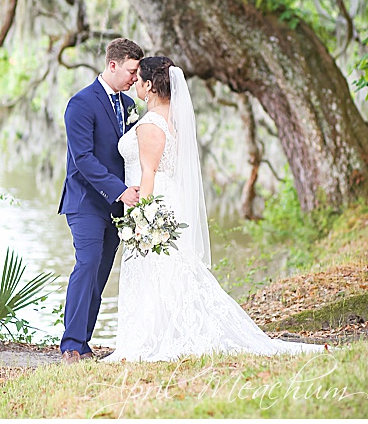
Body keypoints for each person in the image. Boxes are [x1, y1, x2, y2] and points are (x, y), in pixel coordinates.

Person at [103, 56, 324, 361]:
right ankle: (156, 330)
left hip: (153, 202)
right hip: (166, 200)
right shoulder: (169, 119)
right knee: (165, 271)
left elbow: (149, 172)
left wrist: (141, 217)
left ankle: (152, 337)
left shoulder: (152, 124)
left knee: (156, 269)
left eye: (139, 79)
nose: (135, 84)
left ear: (150, 85)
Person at [58, 37, 144, 364]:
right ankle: (70, 345)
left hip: (118, 206)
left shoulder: (129, 107)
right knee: (88, 263)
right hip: (85, 202)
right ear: (113, 64)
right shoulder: (81, 103)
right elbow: (83, 158)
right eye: (131, 71)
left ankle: (84, 343)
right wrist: (119, 189)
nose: (135, 78)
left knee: (101, 272)